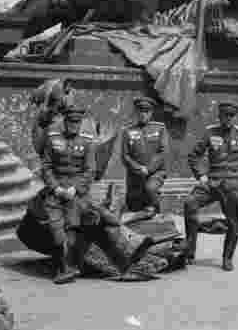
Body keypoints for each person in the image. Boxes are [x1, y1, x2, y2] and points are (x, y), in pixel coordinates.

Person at [31, 102, 153, 284]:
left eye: (77, 123)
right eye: (71, 122)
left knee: (100, 219)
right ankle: (65, 268)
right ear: (65, 121)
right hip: (55, 192)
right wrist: (56, 188)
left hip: (78, 193)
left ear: (80, 123)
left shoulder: (87, 142)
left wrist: (75, 189)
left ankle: (127, 262)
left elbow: (90, 171)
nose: (74, 126)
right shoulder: (53, 138)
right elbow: (46, 167)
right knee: (58, 230)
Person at [183, 101, 238, 271]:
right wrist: (201, 175)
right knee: (190, 203)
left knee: (233, 222)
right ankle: (189, 252)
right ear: (219, 117)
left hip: (234, 184)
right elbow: (194, 155)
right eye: (224, 116)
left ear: (235, 117)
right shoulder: (210, 133)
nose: (227, 119)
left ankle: (227, 258)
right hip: (213, 181)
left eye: (231, 116)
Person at [122, 95, 169, 218]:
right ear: (136, 113)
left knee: (150, 189)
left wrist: (148, 169)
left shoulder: (160, 129)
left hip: (155, 173)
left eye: (146, 111)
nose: (143, 114)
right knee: (133, 205)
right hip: (135, 175)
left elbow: (163, 152)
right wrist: (138, 169)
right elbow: (125, 156)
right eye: (140, 111)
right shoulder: (128, 131)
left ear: (151, 113)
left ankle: (158, 216)